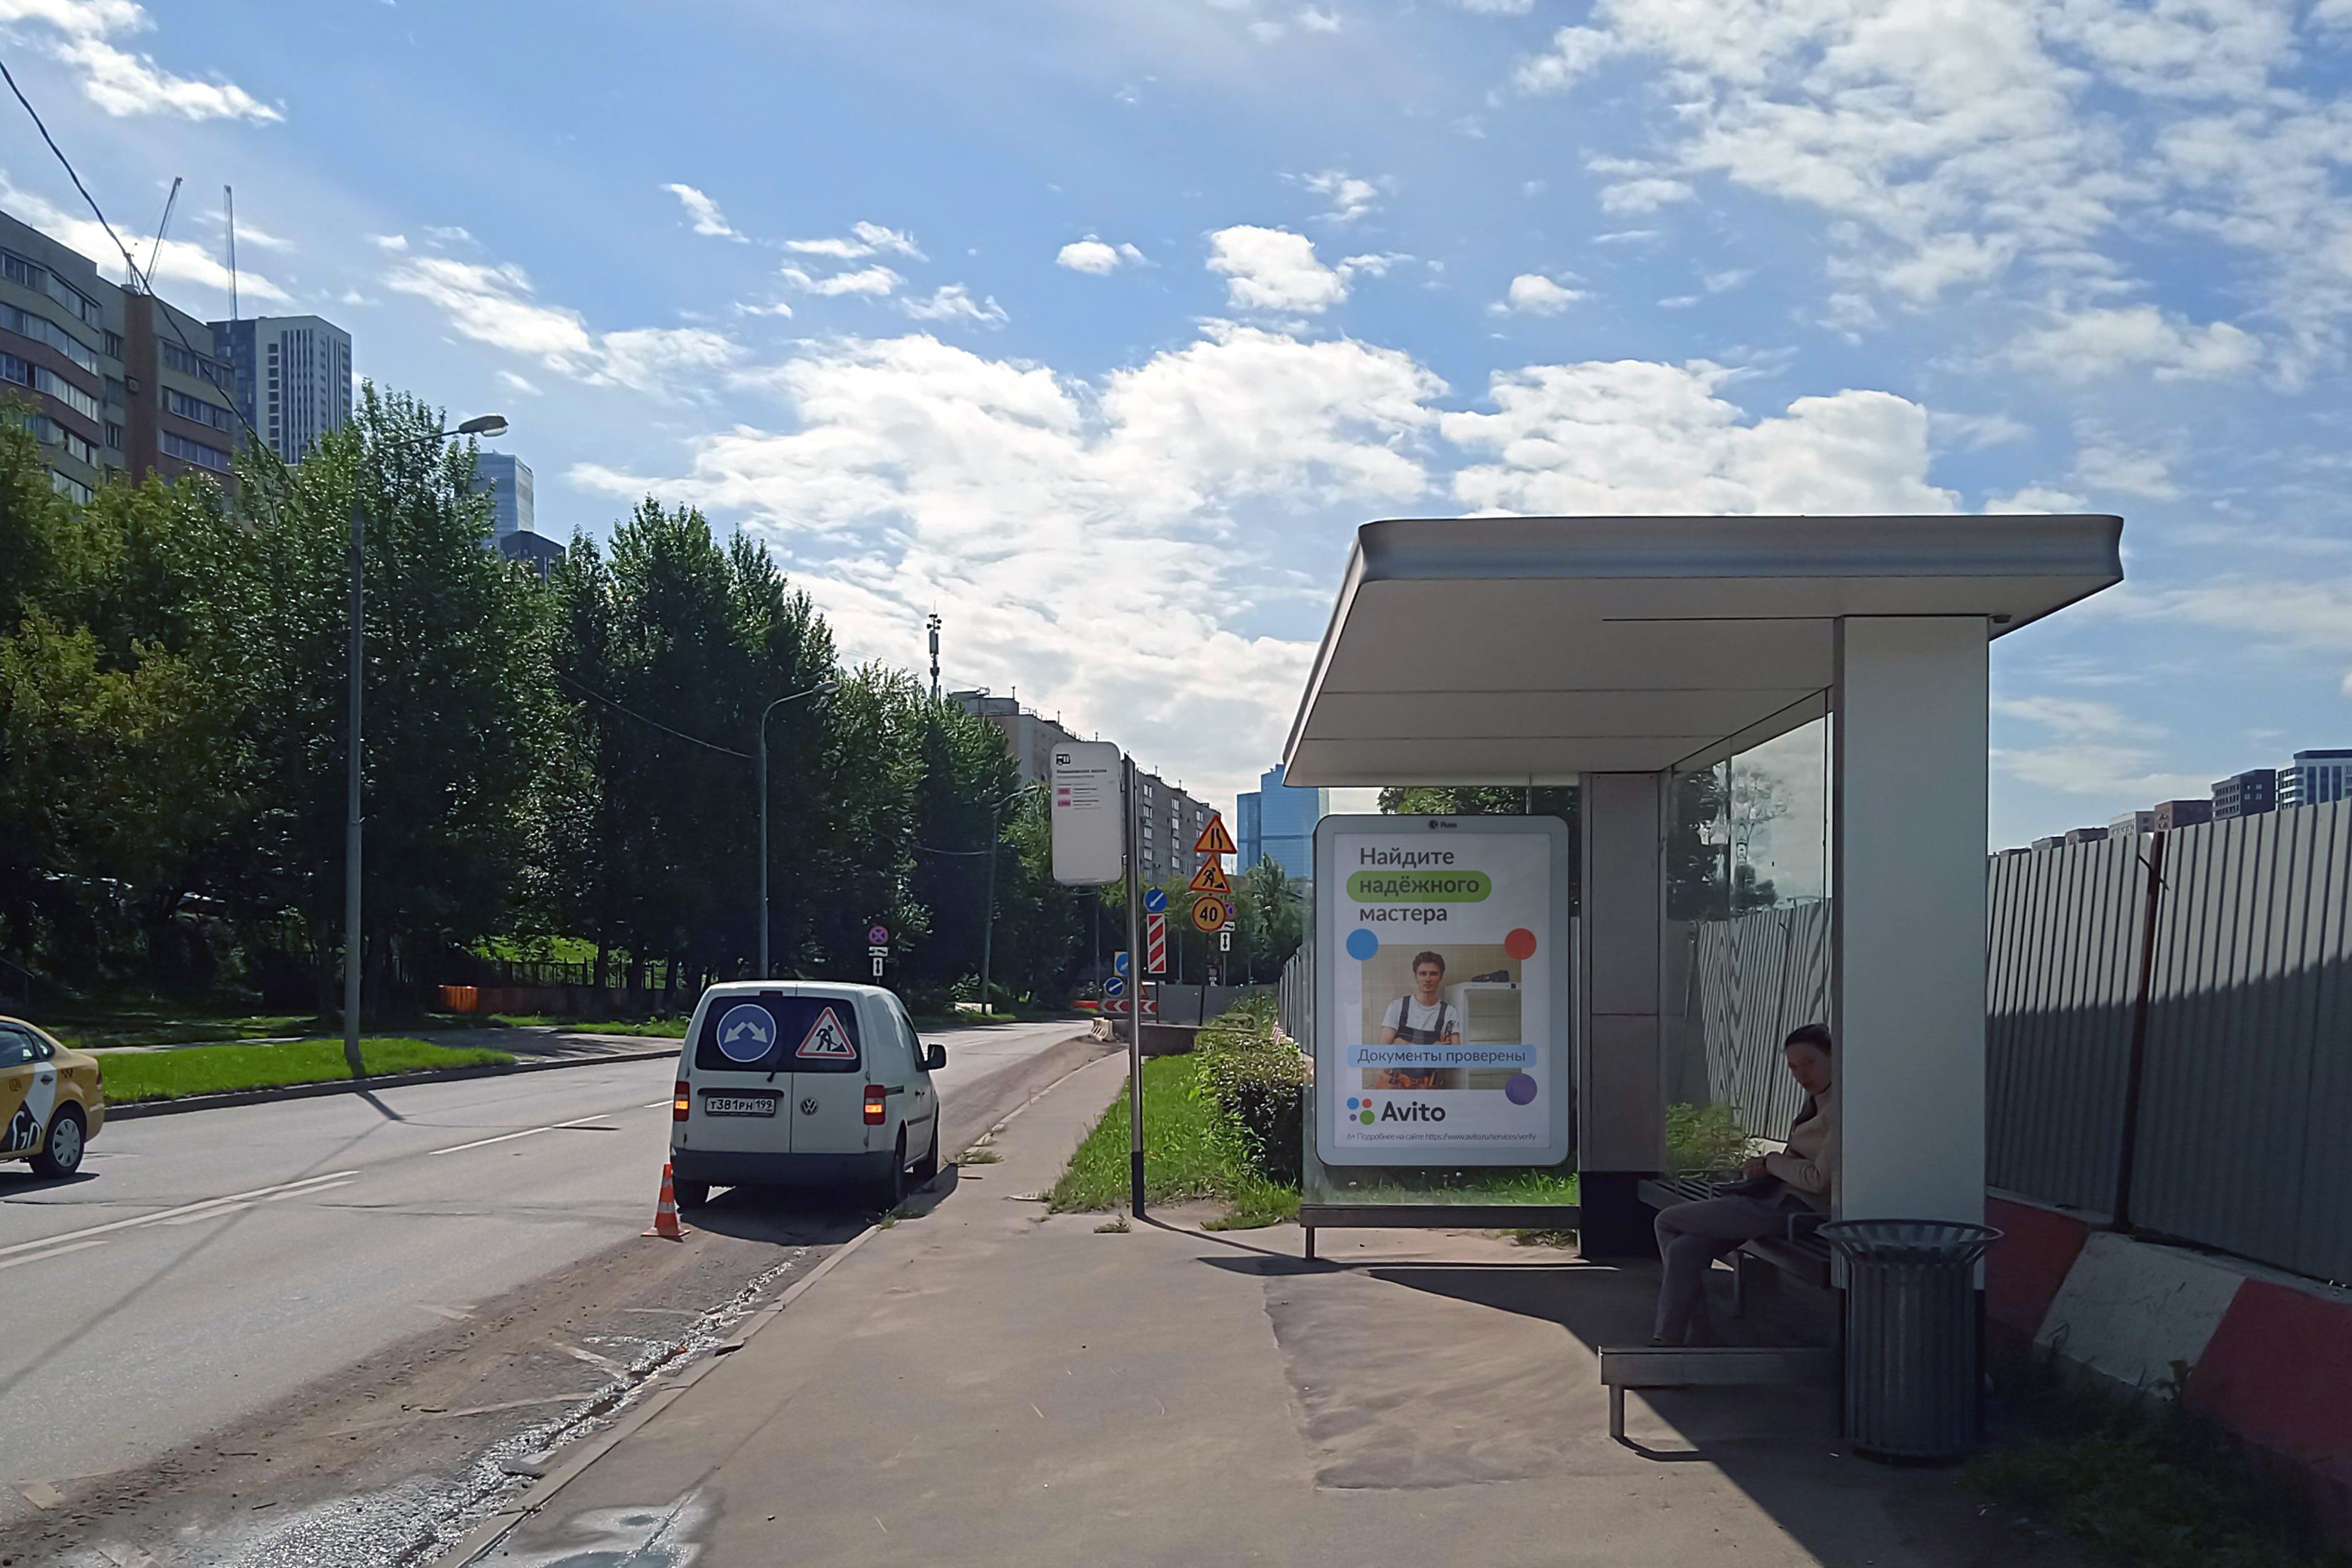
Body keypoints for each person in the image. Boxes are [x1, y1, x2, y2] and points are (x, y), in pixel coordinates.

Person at [1651, 1023, 1837, 1346]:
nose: (1801, 1074)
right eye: (1793, 1067)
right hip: (1776, 1199)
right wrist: (1765, 1168)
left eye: (1810, 1062)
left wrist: (1771, 1163)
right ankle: (1680, 1335)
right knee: (1683, 1250)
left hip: (1795, 1209)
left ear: (1834, 1059)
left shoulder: (1841, 1110)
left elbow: (1819, 1179)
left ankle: (1686, 1333)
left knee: (1667, 1220)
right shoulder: (1817, 1101)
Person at [1377, 951, 1462, 1047]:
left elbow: (1456, 1052)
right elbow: (1383, 1048)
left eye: (1433, 974)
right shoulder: (1397, 1007)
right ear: (1416, 976)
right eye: (1423, 974)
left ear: (1441, 977)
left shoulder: (1449, 1012)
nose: (1428, 979)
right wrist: (1432, 1050)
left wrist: (1407, 1045)